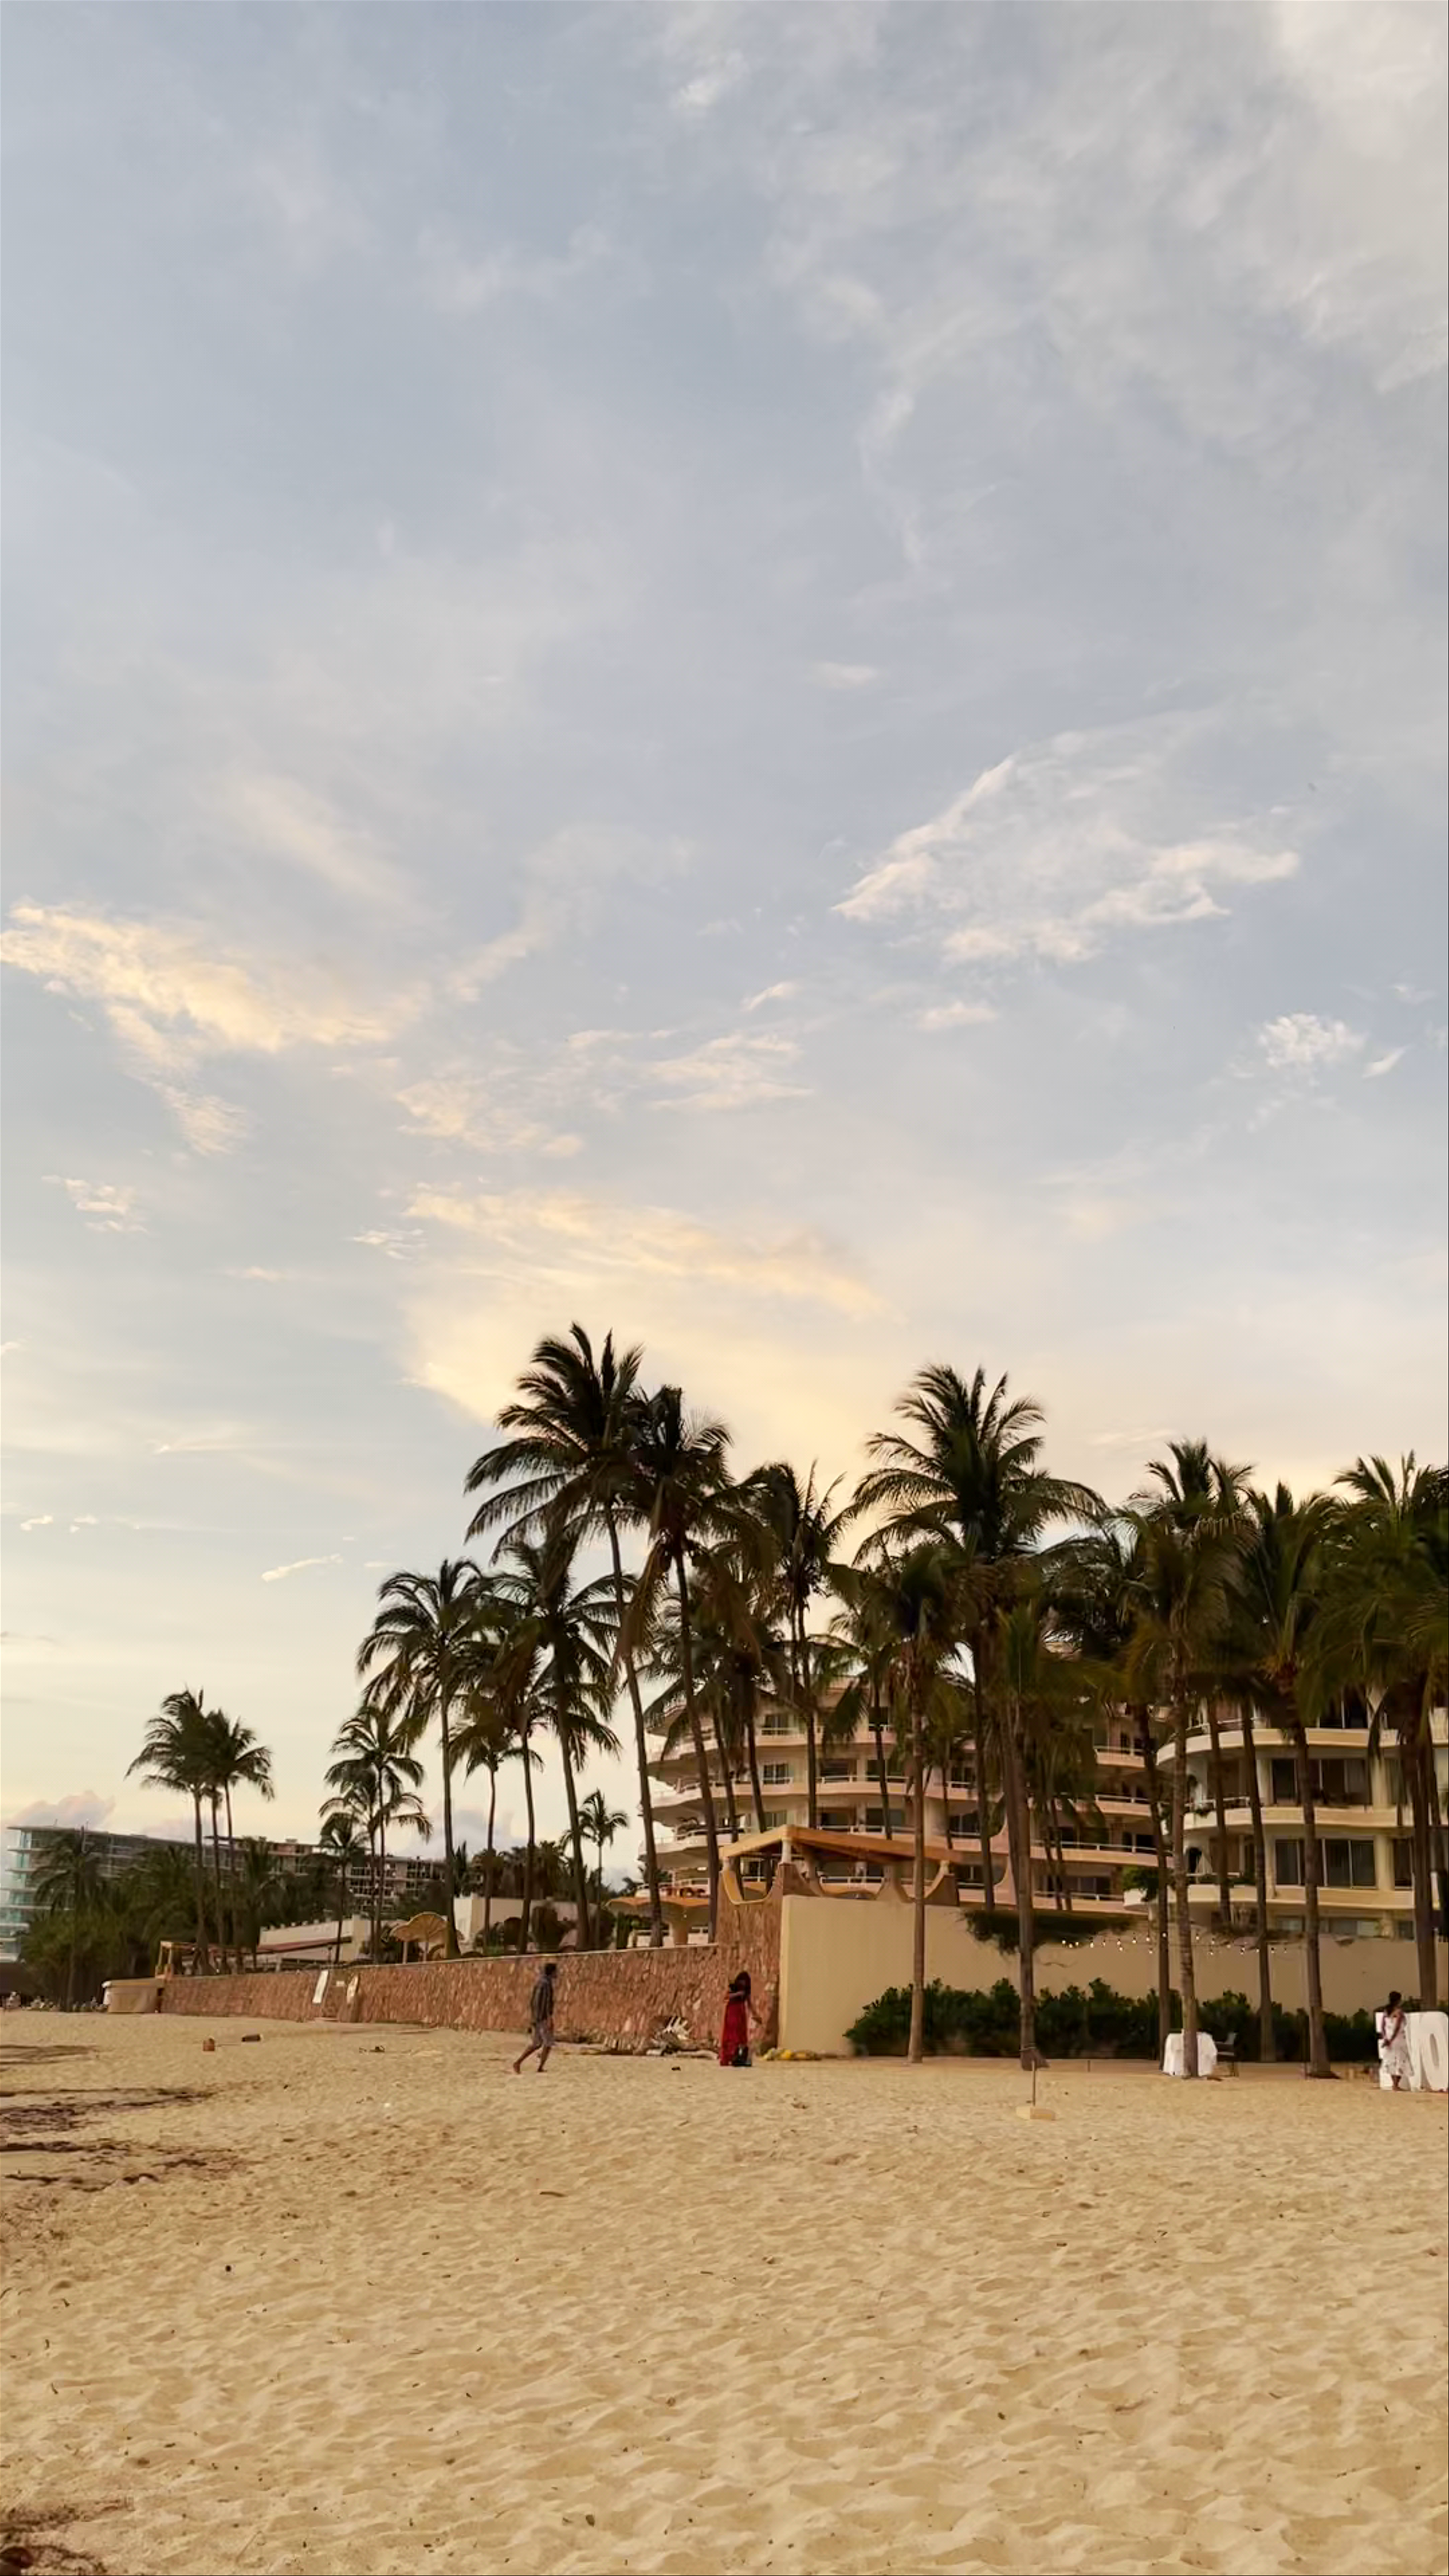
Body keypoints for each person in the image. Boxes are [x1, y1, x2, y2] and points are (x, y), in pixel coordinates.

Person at [514, 1959, 558, 2074]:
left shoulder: (539, 1983)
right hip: (543, 2018)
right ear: (552, 1972)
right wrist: (549, 2018)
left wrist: (534, 2017)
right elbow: (546, 2003)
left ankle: (519, 2063)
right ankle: (539, 2067)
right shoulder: (546, 1984)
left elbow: (534, 2001)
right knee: (548, 2044)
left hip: (537, 2018)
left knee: (537, 2044)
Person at [718, 1969, 757, 2068]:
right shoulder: (734, 1988)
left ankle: (738, 2056)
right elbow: (726, 1997)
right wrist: (738, 1994)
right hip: (732, 2010)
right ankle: (729, 2056)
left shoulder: (746, 1991)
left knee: (740, 2034)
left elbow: (749, 2003)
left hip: (741, 2012)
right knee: (732, 2034)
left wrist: (755, 2015)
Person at [1378, 1990, 1412, 2091]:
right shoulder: (1399, 2012)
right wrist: (1392, 2039)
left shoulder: (1386, 2012)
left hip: (1388, 2037)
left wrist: (1386, 2038)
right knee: (1400, 2060)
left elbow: (1383, 2026)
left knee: (1391, 2061)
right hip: (1397, 2038)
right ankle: (1396, 2084)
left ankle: (1394, 2083)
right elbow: (1397, 2027)